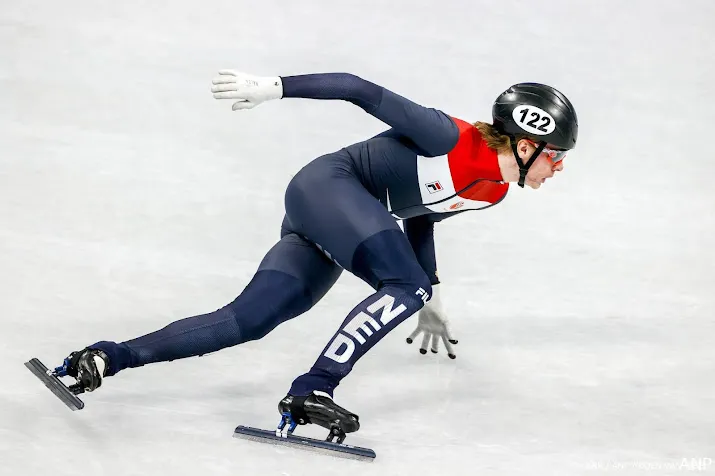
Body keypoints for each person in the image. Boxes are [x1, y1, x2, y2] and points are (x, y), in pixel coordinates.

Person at [53, 71, 578, 439]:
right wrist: (275, 88)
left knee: (248, 320)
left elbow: (421, 217)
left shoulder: (493, 191)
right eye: (555, 156)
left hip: (334, 216)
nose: (558, 169)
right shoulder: (449, 136)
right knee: (407, 287)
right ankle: (312, 390)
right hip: (330, 186)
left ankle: (104, 357)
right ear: (526, 142)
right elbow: (358, 88)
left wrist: (429, 294)